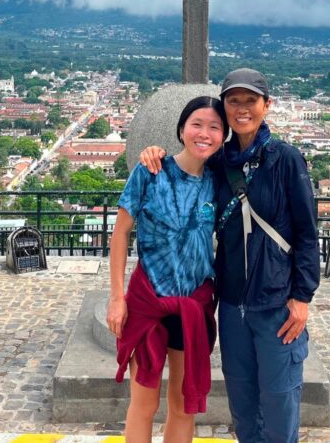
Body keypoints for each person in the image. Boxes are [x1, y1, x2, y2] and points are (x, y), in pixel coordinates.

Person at [140, 68, 320, 443]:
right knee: (243, 405)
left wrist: (302, 298)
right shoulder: (220, 164)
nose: (241, 109)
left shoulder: (285, 160)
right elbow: (184, 167)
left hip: (275, 304)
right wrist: (155, 154)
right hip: (233, 304)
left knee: (279, 402)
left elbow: (306, 234)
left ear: (266, 105)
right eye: (233, 101)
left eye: (250, 100)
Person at [108, 96, 225, 443]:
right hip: (148, 300)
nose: (204, 134)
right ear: (181, 129)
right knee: (143, 403)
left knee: (182, 405)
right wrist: (117, 297)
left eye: (214, 127)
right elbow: (120, 234)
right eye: (197, 125)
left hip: (193, 305)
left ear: (223, 137)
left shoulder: (218, 182)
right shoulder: (151, 170)